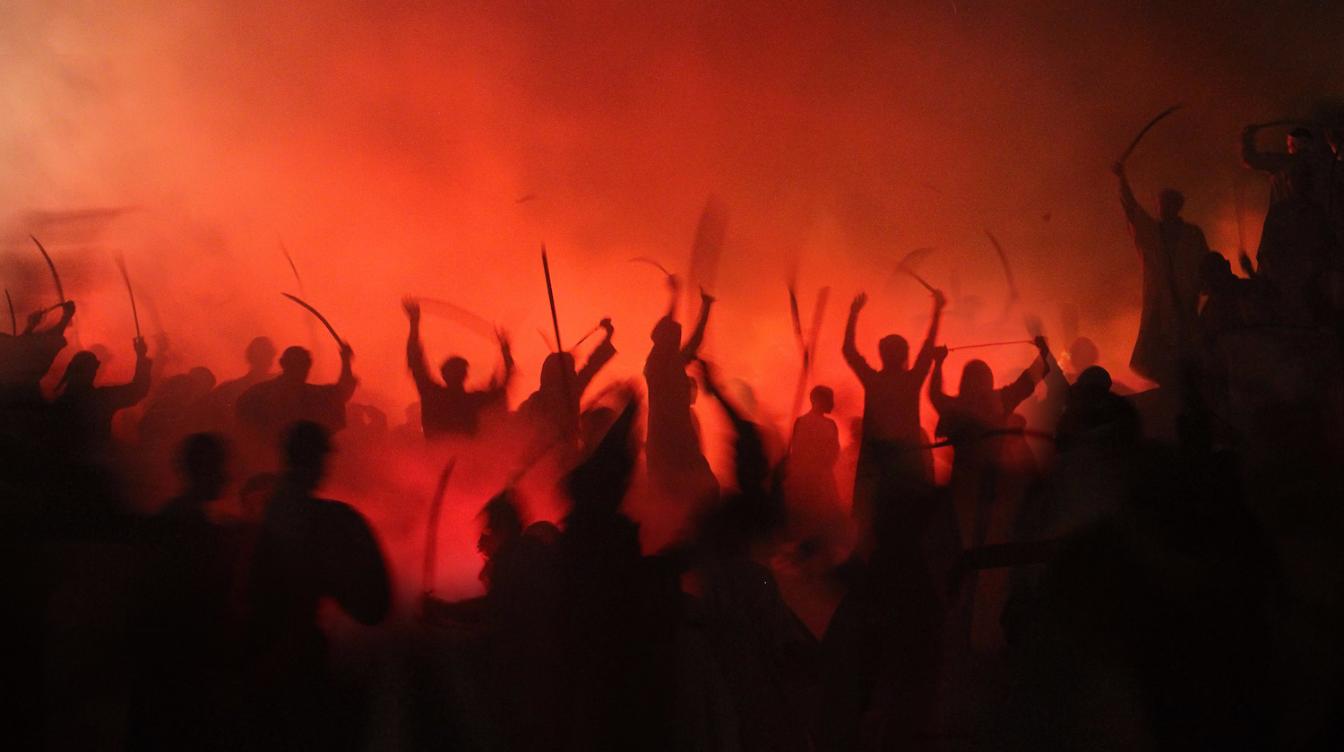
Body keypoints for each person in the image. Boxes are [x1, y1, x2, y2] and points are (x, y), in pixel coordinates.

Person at [245, 421, 390, 751]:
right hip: (291, 656)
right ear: (317, 460)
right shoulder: (319, 519)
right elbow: (370, 607)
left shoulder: (264, 512)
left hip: (258, 655)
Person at [841, 287, 945, 555]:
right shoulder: (910, 380)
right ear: (903, 354)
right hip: (906, 461)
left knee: (875, 525)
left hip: (878, 461)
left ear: (883, 354)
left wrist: (853, 314)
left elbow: (849, 351)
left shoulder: (874, 380)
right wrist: (937, 310)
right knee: (907, 525)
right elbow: (928, 349)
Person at [1113, 161, 1209, 388]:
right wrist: (1121, 179)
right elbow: (1132, 209)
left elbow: (1204, 264)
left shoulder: (1192, 235)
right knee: (1157, 353)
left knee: (1188, 353)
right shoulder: (1152, 232)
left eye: (1167, 203)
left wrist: (1204, 287)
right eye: (1161, 203)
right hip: (1160, 303)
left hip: (1186, 302)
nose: (1162, 208)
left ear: (1177, 206)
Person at [1241, 123, 1339, 317]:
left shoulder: (1283, 164)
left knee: (1278, 283)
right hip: (1311, 234)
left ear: (1293, 145)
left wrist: (1247, 137)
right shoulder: (1323, 166)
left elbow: (1250, 158)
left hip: (1284, 232)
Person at [643, 278, 717, 503]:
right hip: (668, 438)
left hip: (677, 437)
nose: (678, 340)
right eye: (674, 337)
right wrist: (676, 296)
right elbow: (682, 335)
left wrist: (704, 307)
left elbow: (693, 340)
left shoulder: (667, 362)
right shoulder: (657, 366)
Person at [403, 298, 513, 439]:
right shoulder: (472, 401)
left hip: (440, 452)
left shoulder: (432, 394)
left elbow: (415, 360)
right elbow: (503, 385)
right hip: (461, 452)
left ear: (443, 374)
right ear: (465, 375)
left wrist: (414, 323)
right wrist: (506, 354)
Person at [235, 343, 356, 458]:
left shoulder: (258, 392)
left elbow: (340, 392)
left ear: (282, 363)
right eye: (300, 364)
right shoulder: (312, 395)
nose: (302, 368)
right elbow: (341, 392)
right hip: (296, 459)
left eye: (304, 364)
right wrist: (346, 361)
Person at [516, 318, 616, 449]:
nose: (573, 373)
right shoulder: (570, 392)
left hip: (554, 452)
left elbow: (592, 366)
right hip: (559, 452)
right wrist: (608, 336)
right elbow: (592, 366)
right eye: (571, 369)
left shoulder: (537, 400)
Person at [51, 336, 152, 455]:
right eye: (95, 368)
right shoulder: (100, 399)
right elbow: (138, 389)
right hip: (95, 460)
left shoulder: (59, 404)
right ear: (91, 371)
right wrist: (141, 356)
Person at [208, 336, 277, 429]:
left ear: (249, 357)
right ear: (271, 358)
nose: (263, 360)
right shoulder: (279, 386)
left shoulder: (231, 388)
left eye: (265, 355)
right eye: (264, 355)